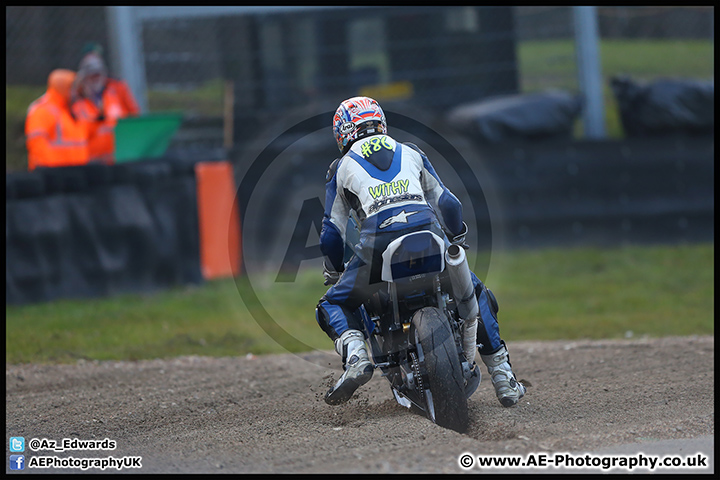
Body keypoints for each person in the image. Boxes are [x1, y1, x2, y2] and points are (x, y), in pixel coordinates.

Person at [316, 96, 526, 408]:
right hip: (430, 237)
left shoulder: (341, 167)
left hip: (377, 245)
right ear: (381, 122)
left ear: (342, 134)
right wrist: (457, 235)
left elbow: (332, 231)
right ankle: (503, 377)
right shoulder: (411, 151)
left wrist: (334, 272)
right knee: (477, 293)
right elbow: (448, 203)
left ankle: (357, 357)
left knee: (332, 304)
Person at [72, 43, 140, 165]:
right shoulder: (77, 95)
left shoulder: (117, 88)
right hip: (91, 159)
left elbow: (134, 115)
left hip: (120, 155)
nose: (95, 76)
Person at [25, 69, 91, 171]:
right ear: (64, 88)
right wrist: (52, 173)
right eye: (73, 88)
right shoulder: (43, 111)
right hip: (53, 177)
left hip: (74, 175)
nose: (77, 92)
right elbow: (38, 146)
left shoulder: (71, 112)